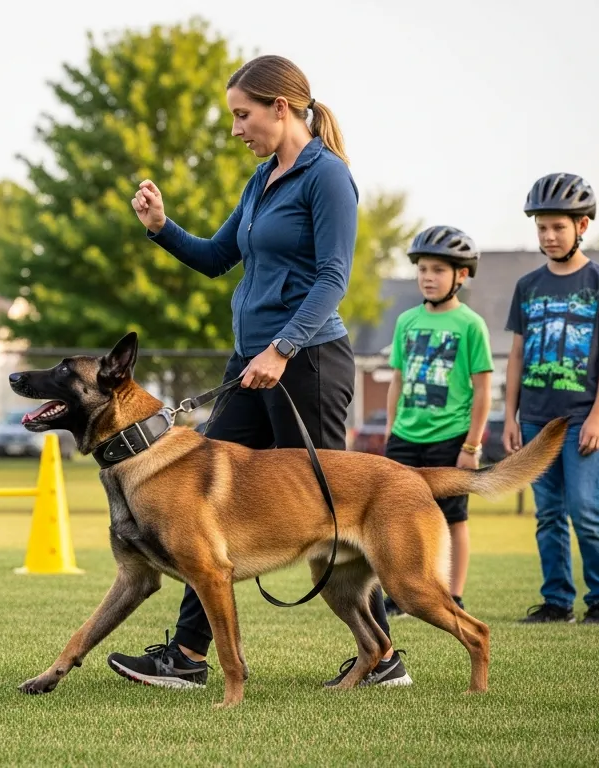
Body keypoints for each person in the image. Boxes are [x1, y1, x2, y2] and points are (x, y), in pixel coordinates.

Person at [114, 54, 410, 690]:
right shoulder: (262, 180)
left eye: (242, 115)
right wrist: (161, 228)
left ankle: (384, 657)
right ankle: (189, 656)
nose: (235, 129)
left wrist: (282, 346)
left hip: (307, 363)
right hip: (252, 364)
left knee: (336, 513)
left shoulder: (327, 178)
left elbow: (333, 277)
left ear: (281, 108)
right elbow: (220, 257)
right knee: (202, 512)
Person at [502, 172, 599, 626]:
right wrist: (510, 416)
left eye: (559, 226)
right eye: (542, 227)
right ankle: (556, 601)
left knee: (585, 508)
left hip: (581, 420)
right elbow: (516, 354)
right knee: (548, 512)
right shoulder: (528, 286)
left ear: (583, 226)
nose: (549, 235)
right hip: (535, 418)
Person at [380, 225, 493, 618]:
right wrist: (391, 429)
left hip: (451, 437)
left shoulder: (470, 325)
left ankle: (454, 594)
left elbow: (482, 390)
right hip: (405, 437)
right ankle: (398, 593)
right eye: (423, 269)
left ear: (461, 275)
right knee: (394, 518)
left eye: (438, 270)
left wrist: (471, 445)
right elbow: (397, 379)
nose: (428, 277)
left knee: (454, 518)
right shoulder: (406, 321)